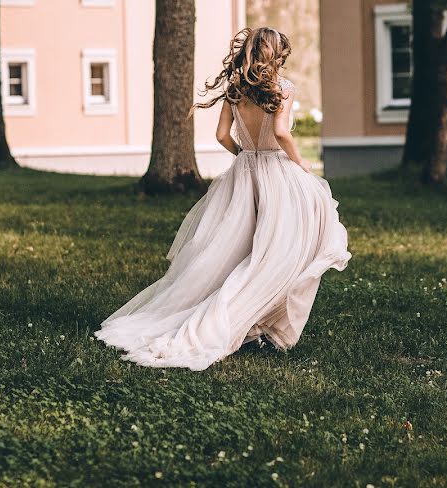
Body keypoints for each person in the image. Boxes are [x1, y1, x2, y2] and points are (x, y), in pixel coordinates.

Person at [95, 27, 350, 370]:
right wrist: (300, 162)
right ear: (275, 55)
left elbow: (220, 135)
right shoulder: (282, 89)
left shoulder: (235, 89)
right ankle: (252, 317)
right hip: (277, 172)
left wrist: (243, 154)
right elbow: (280, 132)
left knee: (236, 249)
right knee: (283, 247)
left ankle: (255, 320)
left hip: (245, 171)